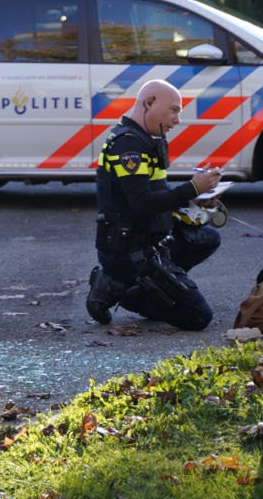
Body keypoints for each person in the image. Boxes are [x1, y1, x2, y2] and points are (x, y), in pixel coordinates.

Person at [85, 79, 223, 330]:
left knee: (208, 237)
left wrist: (195, 197)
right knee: (199, 317)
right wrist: (192, 187)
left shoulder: (145, 139)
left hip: (153, 240)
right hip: (128, 252)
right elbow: (141, 204)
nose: (177, 120)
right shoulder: (127, 145)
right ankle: (119, 288)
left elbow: (156, 195)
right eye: (174, 110)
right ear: (149, 103)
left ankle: (154, 288)